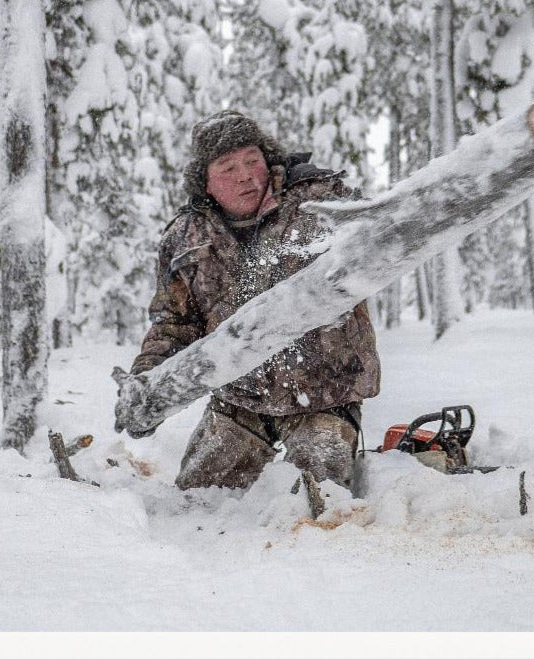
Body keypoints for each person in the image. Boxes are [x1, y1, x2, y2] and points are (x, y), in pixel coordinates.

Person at [128, 110, 381, 491]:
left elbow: (377, 246)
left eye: (252, 161)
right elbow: (174, 324)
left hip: (325, 393)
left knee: (315, 504)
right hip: (240, 398)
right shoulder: (185, 238)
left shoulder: (321, 200)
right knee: (196, 503)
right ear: (206, 184)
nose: (245, 175)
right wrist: (147, 385)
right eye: (228, 168)